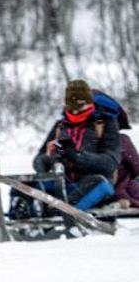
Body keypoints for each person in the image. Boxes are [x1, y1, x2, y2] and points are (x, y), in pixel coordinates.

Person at [11, 78, 120, 218]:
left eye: (80, 108)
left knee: (95, 181)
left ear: (89, 104)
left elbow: (110, 163)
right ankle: (20, 216)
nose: (75, 112)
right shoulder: (60, 125)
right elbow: (38, 159)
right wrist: (47, 159)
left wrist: (76, 156)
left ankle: (58, 213)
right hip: (61, 181)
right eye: (72, 108)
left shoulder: (105, 124)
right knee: (23, 183)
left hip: (93, 182)